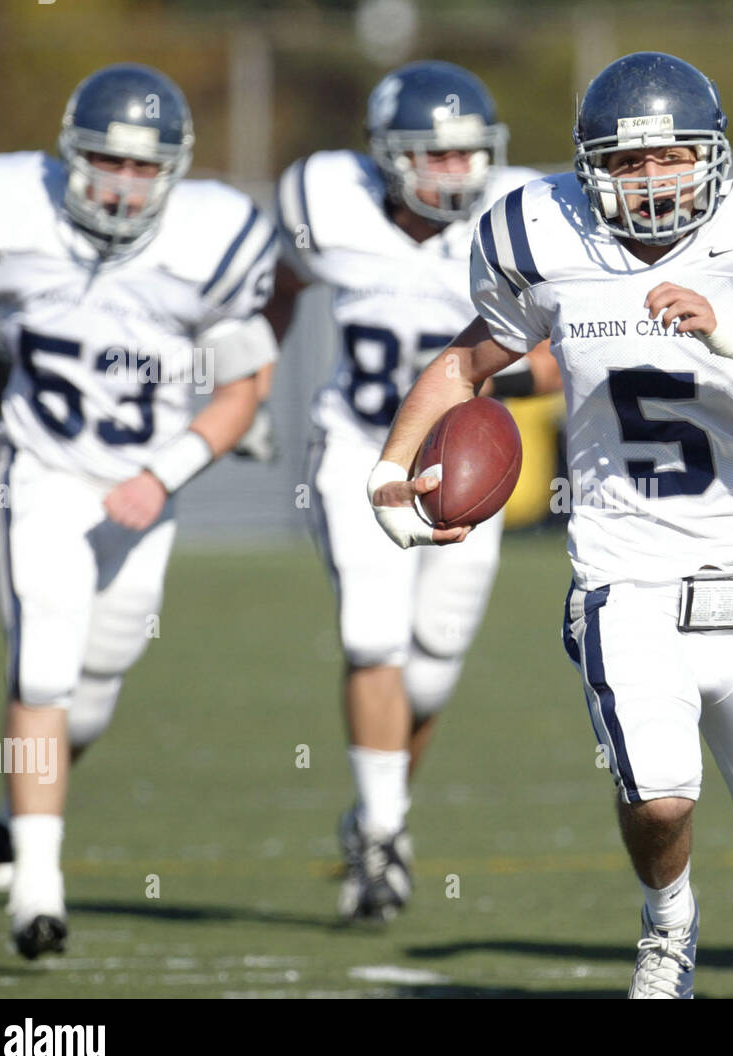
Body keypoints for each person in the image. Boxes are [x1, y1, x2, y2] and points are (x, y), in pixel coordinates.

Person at [366, 51, 733, 998]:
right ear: (590, 168)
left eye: (672, 157)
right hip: (624, 576)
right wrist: (393, 470)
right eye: (626, 164)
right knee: (659, 795)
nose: (651, 181)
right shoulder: (544, 235)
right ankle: (668, 924)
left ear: (711, 157)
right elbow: (465, 366)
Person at [0, 63, 279, 958]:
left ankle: (8, 815)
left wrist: (166, 473)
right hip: (44, 470)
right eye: (107, 161)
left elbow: (244, 388)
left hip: (143, 486)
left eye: (145, 169)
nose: (123, 185)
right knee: (46, 663)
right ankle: (39, 889)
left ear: (174, 173)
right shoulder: (10, 215)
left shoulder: (211, 246)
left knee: (97, 683)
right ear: (71, 156)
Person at [271, 60, 556, 923]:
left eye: (468, 154)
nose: (454, 172)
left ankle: (376, 811)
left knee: (429, 668)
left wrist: (541, 369)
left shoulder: (519, 219)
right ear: (388, 157)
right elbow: (284, 283)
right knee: (372, 637)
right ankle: (387, 839)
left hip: (468, 466)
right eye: (433, 155)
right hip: (363, 452)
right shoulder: (331, 205)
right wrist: (251, 376)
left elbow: (555, 352)